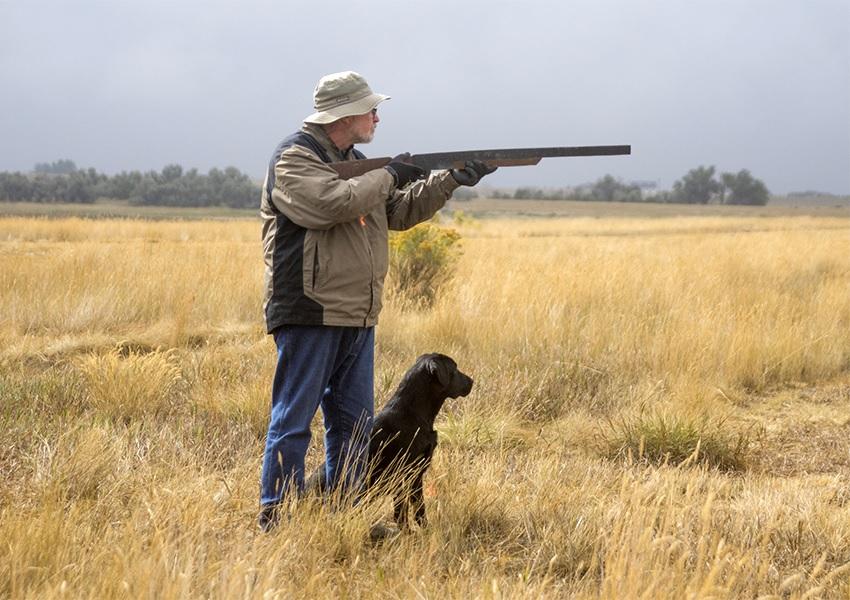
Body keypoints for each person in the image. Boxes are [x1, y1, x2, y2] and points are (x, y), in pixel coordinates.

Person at [258, 71, 495, 530]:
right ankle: (275, 519)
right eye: (371, 110)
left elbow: (398, 212)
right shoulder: (294, 159)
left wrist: (450, 181)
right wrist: (388, 174)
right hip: (310, 310)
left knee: (354, 428)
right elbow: (330, 203)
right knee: (293, 422)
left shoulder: (360, 162)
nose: (377, 117)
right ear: (344, 114)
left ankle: (335, 521)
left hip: (357, 314)